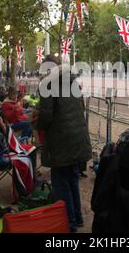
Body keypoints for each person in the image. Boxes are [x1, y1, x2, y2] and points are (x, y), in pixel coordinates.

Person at [36, 55, 92, 232]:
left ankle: (69, 222)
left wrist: (37, 124)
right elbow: (80, 108)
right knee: (72, 179)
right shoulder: (73, 81)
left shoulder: (47, 84)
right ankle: (77, 217)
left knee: (61, 182)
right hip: (77, 137)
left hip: (61, 139)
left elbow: (47, 116)